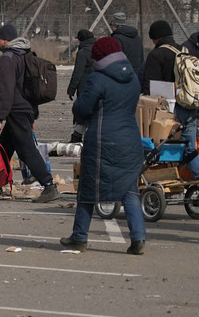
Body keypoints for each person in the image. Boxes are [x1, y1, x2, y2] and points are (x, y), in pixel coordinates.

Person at [61, 37, 146, 254]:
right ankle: (138, 238)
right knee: (129, 189)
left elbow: (82, 109)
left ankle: (79, 236)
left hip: (102, 140)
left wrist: (80, 104)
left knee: (88, 189)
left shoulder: (97, 79)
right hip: (130, 139)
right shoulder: (133, 77)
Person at [0, 23, 58, 203]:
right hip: (23, 109)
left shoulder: (8, 58)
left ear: (5, 40)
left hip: (16, 111)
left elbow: (6, 90)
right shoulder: (24, 55)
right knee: (3, 150)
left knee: (26, 151)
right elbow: (30, 87)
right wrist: (32, 114)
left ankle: (49, 185)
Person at [144, 20, 199, 183]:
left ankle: (161, 179)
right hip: (188, 104)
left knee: (158, 145)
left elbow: (149, 86)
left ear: (156, 38)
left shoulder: (156, 55)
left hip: (166, 108)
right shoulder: (185, 52)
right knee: (188, 147)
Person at [65, 29, 96, 143]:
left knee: (81, 114)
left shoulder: (83, 52)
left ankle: (76, 137)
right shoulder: (99, 50)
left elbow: (78, 72)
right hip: (98, 87)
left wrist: (71, 89)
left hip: (85, 87)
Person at [108, 12, 144, 79]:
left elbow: (115, 61)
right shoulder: (137, 37)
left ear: (114, 25)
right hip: (137, 75)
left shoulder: (116, 39)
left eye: (110, 24)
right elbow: (142, 58)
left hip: (123, 76)